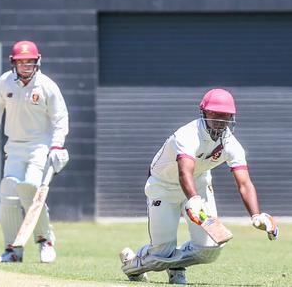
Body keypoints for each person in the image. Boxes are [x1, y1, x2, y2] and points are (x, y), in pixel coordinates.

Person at [119, 88, 279, 284]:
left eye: (226, 118)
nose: (221, 123)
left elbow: (244, 183)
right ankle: (132, 264)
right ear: (204, 113)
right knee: (163, 251)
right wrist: (194, 200)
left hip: (199, 184)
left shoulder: (231, 144)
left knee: (210, 249)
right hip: (164, 186)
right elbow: (183, 172)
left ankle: (174, 264)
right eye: (216, 116)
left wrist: (256, 215)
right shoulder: (187, 135)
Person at [0, 40, 69, 263]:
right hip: (14, 145)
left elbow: (60, 119)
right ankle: (13, 250)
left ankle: (45, 240)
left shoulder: (47, 86)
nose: (26, 66)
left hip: (40, 146)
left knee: (30, 188)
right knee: (8, 191)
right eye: (21, 62)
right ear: (13, 63)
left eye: (30, 62)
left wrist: (56, 145)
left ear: (37, 62)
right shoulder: (5, 82)